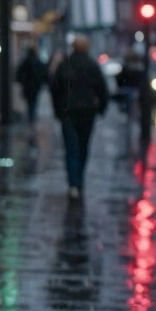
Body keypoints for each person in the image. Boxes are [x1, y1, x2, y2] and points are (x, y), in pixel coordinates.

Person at [50, 35, 109, 199]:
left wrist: (57, 110)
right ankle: (79, 179)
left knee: (71, 147)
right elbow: (102, 89)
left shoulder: (65, 65)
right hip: (87, 112)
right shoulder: (91, 65)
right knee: (83, 146)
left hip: (68, 112)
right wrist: (101, 108)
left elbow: (55, 88)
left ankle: (73, 182)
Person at [14, 46, 49, 125]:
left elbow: (19, 74)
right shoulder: (38, 62)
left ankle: (31, 116)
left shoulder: (25, 62)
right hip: (36, 86)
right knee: (34, 101)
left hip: (27, 86)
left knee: (30, 102)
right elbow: (44, 73)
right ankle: (32, 116)